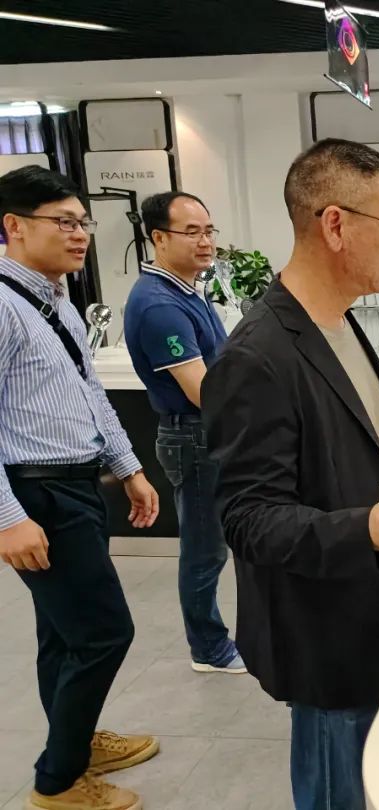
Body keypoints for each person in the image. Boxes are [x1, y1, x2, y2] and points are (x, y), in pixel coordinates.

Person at [201, 139, 379, 810]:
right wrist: (367, 532)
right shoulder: (257, 357)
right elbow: (248, 519)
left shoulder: (339, 324)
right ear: (335, 224)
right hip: (327, 636)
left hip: (376, 610)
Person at [0, 166, 160, 810]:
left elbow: (89, 392)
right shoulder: (3, 305)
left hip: (75, 483)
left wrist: (129, 467)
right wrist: (7, 517)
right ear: (13, 227)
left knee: (63, 634)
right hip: (38, 493)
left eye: (82, 221)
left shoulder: (54, 299)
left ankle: (78, 737)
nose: (80, 234)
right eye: (63, 222)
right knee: (103, 634)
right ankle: (58, 780)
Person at [122, 191, 244, 674]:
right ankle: (208, 648)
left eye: (209, 230)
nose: (205, 241)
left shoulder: (187, 289)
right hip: (194, 437)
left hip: (209, 434)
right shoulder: (159, 305)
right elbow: (202, 391)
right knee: (204, 549)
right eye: (191, 232)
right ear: (158, 237)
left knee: (218, 541)